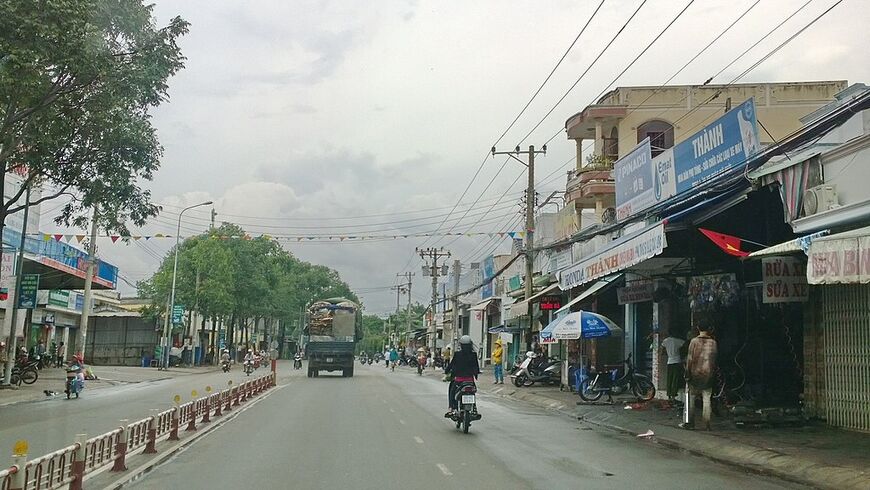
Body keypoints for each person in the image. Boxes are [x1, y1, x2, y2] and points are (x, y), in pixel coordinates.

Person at [681, 323, 718, 431]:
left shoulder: (694, 342)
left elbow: (690, 359)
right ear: (709, 329)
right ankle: (707, 424)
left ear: (698, 329)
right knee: (707, 400)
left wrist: (687, 372)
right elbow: (715, 359)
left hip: (695, 374)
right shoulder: (713, 343)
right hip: (708, 375)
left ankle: (690, 423)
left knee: (691, 399)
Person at [444, 335, 480, 418]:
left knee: (452, 391)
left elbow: (452, 364)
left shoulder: (457, 354)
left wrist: (446, 371)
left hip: (459, 380)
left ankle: (452, 408)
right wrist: (476, 374)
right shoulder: (473, 354)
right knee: (473, 392)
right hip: (470, 380)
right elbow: (476, 367)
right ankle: (474, 408)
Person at [660, 330, 686, 402]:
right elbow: (685, 344)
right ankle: (673, 396)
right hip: (677, 361)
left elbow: (662, 350)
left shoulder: (666, 341)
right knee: (675, 379)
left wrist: (665, 353)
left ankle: (669, 395)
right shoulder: (678, 341)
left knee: (669, 378)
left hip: (669, 361)